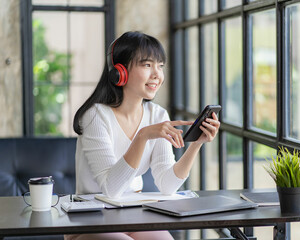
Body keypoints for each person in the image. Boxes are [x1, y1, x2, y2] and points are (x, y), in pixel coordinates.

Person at [66, 31, 220, 240]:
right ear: (120, 72)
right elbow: (111, 190)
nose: (157, 74)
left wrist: (196, 144)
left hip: (134, 216)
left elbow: (167, 185)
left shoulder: (157, 115)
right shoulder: (95, 116)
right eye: (147, 65)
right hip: (91, 220)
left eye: (160, 66)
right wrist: (142, 136)